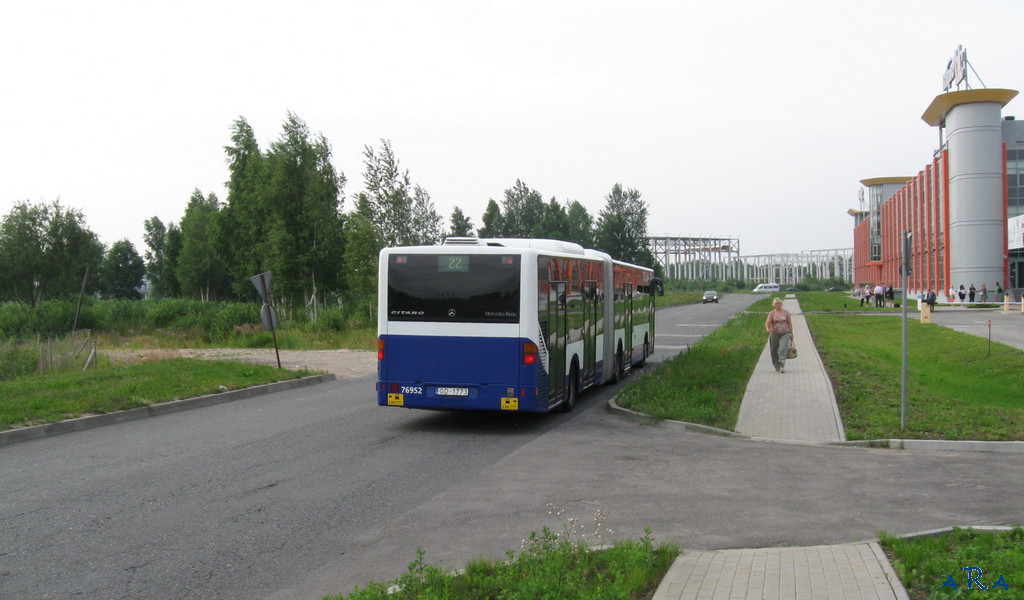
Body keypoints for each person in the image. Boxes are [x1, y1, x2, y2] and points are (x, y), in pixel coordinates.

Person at [764, 297, 793, 373]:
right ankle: (776, 365)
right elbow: (767, 322)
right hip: (774, 333)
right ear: (774, 305)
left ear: (781, 304)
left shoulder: (786, 313)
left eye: (779, 303)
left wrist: (791, 333)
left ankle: (782, 365)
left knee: (783, 348)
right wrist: (767, 328)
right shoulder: (772, 313)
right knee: (774, 349)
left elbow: (789, 323)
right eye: (776, 303)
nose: (778, 305)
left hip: (785, 332)